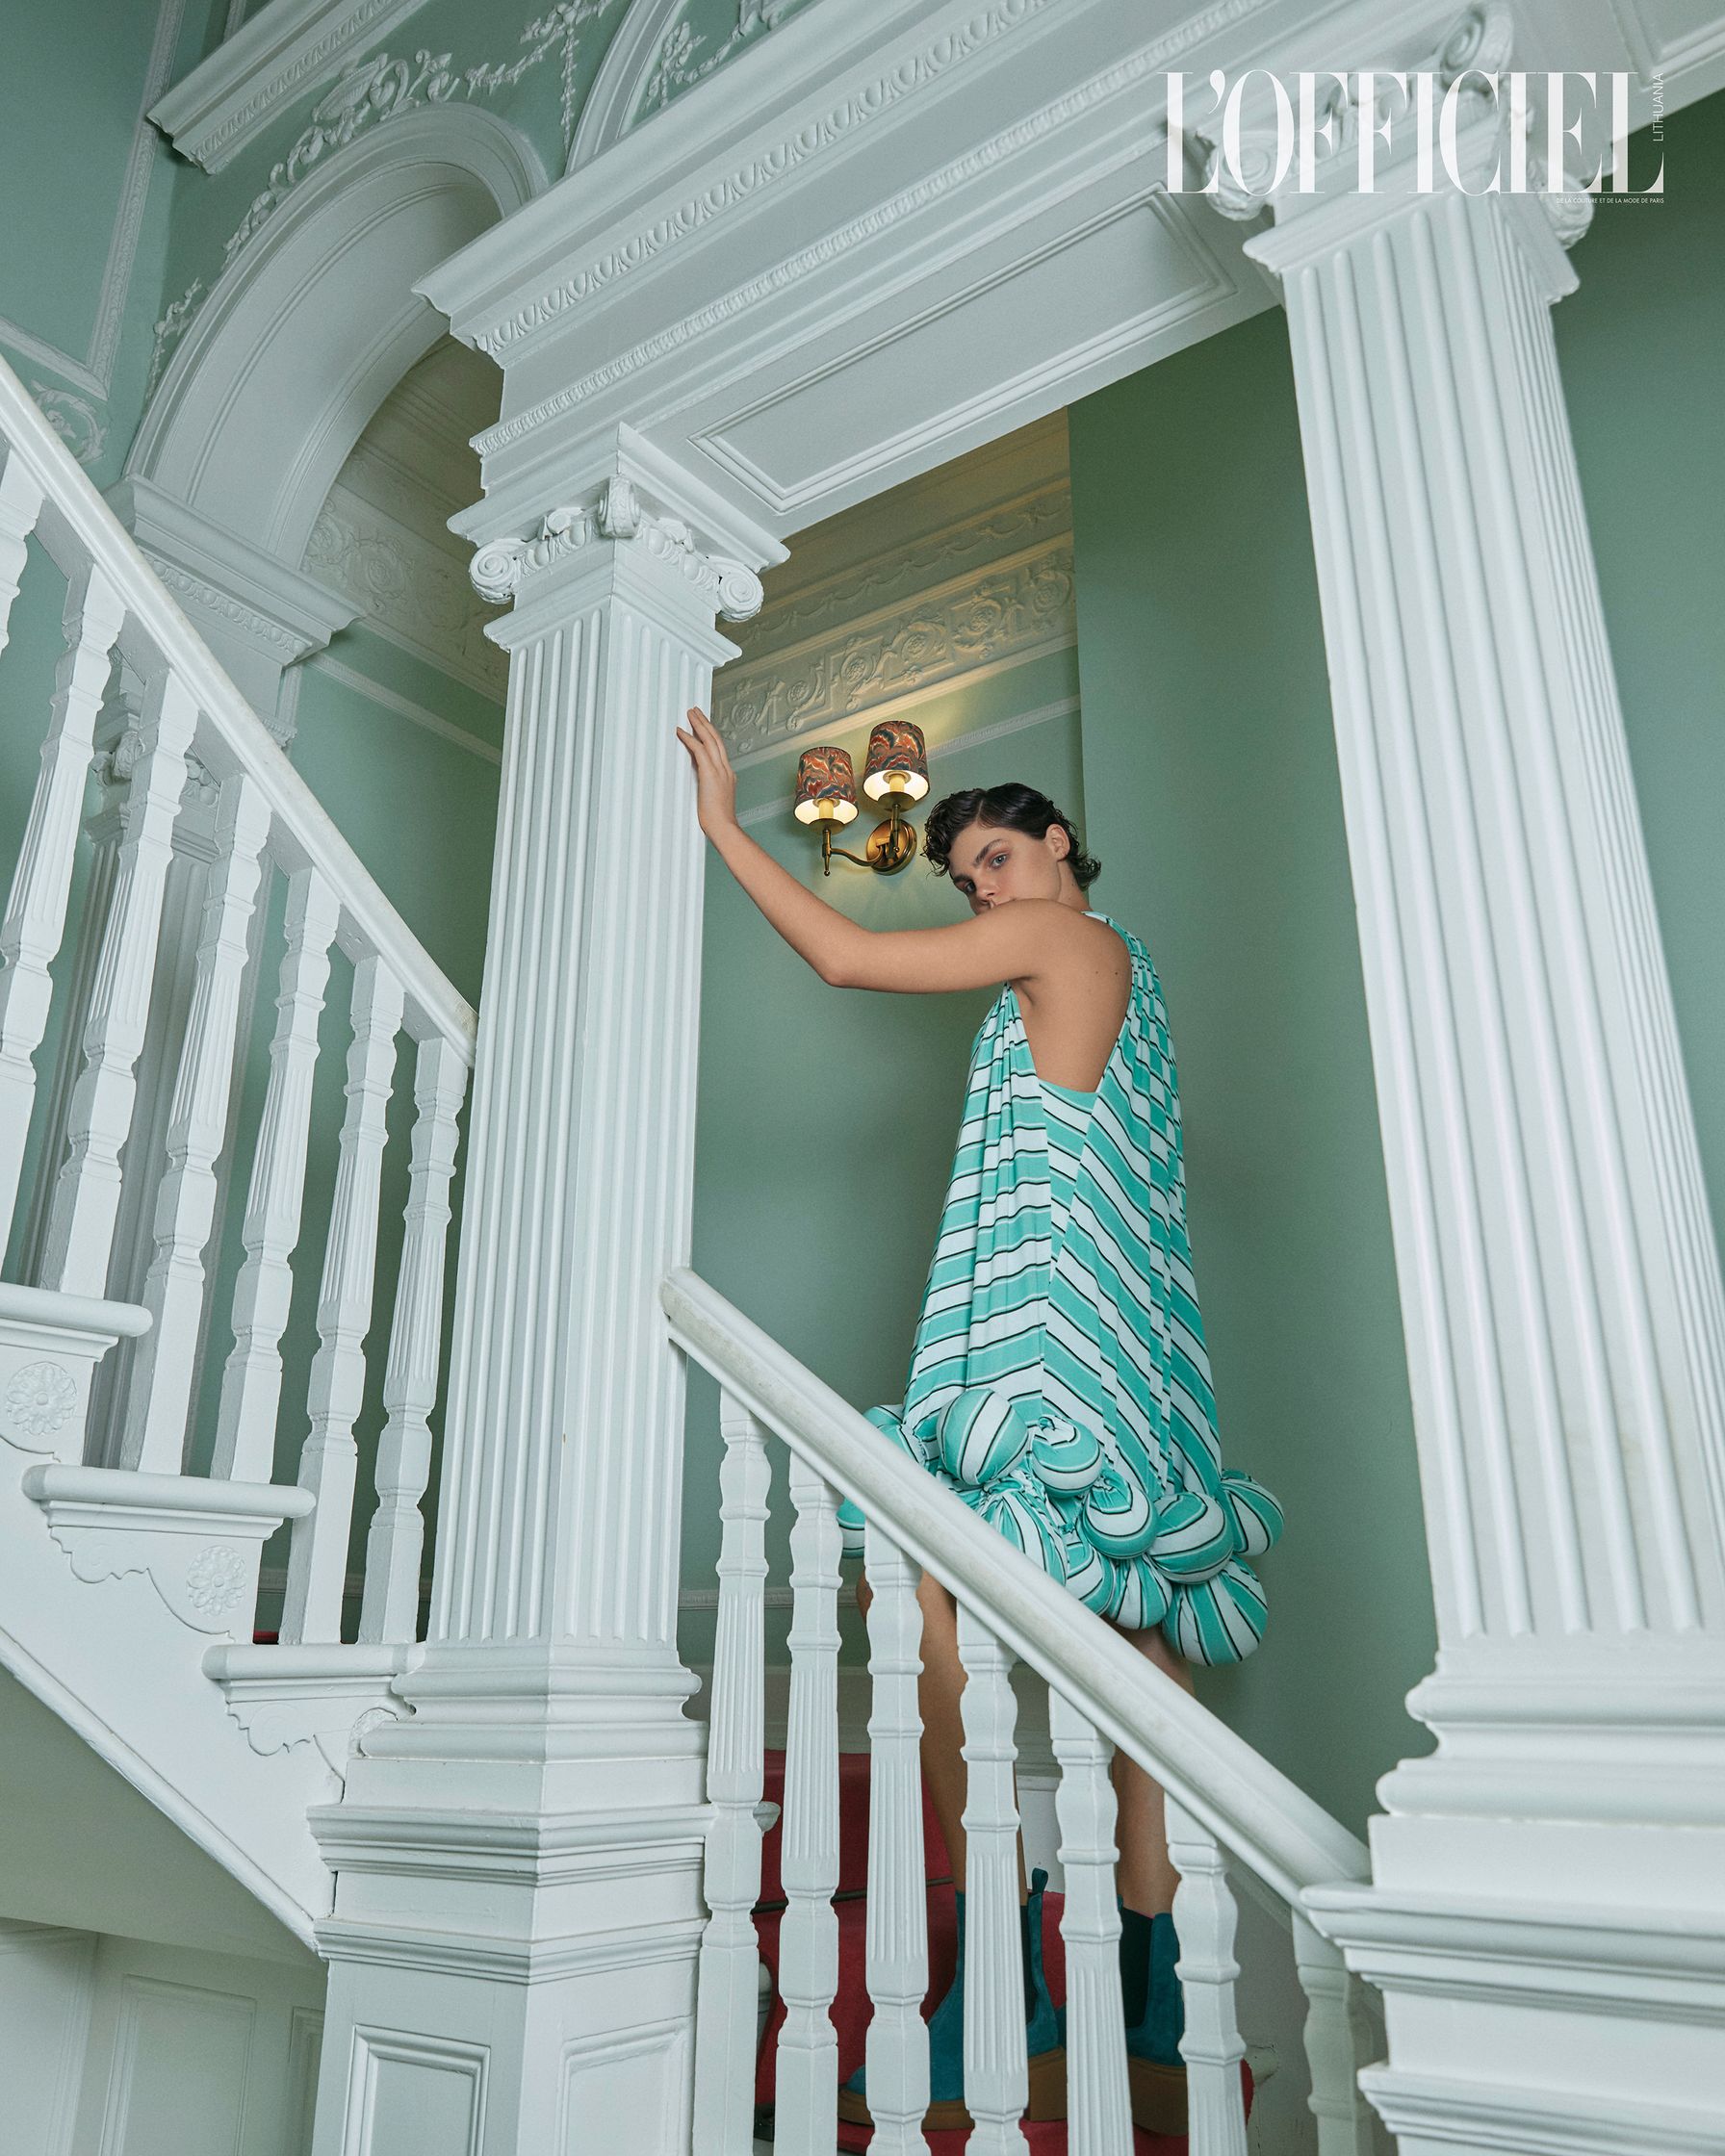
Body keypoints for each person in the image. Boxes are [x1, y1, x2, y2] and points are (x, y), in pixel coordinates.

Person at [677, 707, 1281, 2135]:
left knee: (932, 1602)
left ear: (1060, 844)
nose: (982, 888)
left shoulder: (1066, 942)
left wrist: (719, 826)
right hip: (1126, 1340)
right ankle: (1149, 1989)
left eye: (998, 857)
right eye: (964, 879)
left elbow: (844, 954)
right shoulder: (1127, 975)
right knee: (1132, 1639)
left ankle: (1005, 1940)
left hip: (1051, 1338)